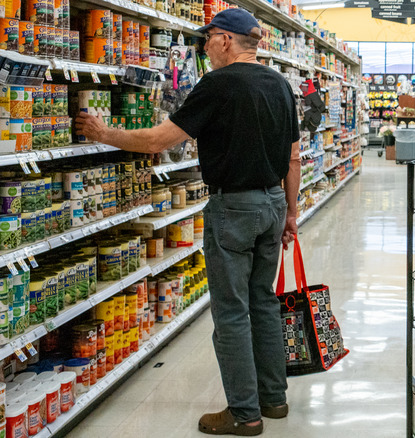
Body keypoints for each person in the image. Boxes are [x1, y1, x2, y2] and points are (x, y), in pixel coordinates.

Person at [75, 8, 300, 436]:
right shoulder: (280, 84)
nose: (204, 47)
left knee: (232, 312)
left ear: (227, 41)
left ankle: (243, 413)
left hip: (234, 208)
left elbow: (160, 139)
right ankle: (273, 400)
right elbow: (292, 156)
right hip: (272, 204)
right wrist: (290, 212)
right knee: (263, 303)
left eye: (208, 39)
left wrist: (107, 134)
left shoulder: (217, 84)